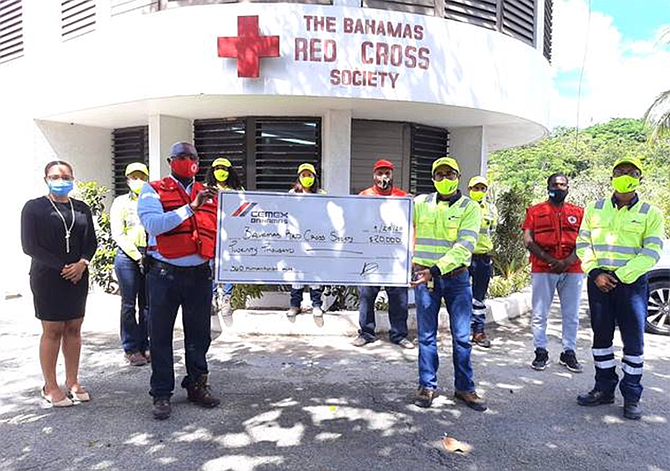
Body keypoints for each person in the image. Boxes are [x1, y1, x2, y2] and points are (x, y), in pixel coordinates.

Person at [576, 157, 664, 420]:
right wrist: (596, 273)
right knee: (601, 339)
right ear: (611, 177)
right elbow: (583, 244)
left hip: (631, 284)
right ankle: (603, 389)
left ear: (640, 178)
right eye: (619, 172)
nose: (624, 175)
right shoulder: (595, 208)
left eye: (631, 172)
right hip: (599, 283)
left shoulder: (651, 213)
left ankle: (632, 396)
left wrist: (621, 275)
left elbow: (652, 251)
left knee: (633, 342)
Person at [138, 142, 220, 420]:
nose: (187, 161)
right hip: (164, 274)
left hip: (199, 275)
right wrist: (190, 209)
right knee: (160, 335)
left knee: (199, 335)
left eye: (192, 156)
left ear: (199, 161)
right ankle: (161, 393)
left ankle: (197, 385)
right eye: (181, 156)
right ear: (171, 160)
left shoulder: (211, 194)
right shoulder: (153, 189)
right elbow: (153, 225)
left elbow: (226, 233)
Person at [411, 156, 487, 411]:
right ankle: (427, 386)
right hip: (424, 279)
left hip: (457, 279)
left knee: (463, 337)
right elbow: (394, 225)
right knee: (426, 336)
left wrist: (435, 270)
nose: (444, 179)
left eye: (449, 174)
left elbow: (465, 247)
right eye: (439, 175)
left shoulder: (470, 208)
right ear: (433, 178)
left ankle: (464, 388)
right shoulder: (419, 203)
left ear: (458, 177)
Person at [21, 160, 97, 407]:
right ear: (46, 179)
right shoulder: (34, 208)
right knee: (53, 329)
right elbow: (30, 246)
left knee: (74, 327)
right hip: (47, 276)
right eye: (55, 176)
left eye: (65, 176)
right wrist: (62, 267)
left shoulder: (82, 208)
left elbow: (91, 242)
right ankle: (50, 385)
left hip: (78, 275)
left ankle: (72, 381)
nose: (60, 180)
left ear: (73, 178)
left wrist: (82, 263)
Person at [522, 173, 584, 372]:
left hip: (572, 268)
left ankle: (569, 352)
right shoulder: (534, 211)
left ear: (568, 187)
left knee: (571, 314)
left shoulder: (579, 212)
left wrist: (566, 262)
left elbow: (585, 240)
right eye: (555, 184)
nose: (559, 188)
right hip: (543, 268)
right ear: (548, 187)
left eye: (563, 184)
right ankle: (540, 351)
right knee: (540, 314)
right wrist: (551, 261)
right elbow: (528, 241)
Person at [353, 159, 413, 349]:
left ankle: (399, 335)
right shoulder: (364, 196)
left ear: (392, 175)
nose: (383, 177)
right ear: (374, 175)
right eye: (380, 173)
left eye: (387, 173)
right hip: (370, 256)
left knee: (398, 298)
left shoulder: (403, 197)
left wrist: (411, 253)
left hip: (395, 258)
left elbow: (412, 226)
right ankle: (366, 333)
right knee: (366, 296)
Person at [110, 162, 150, 367]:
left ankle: (145, 344)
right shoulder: (121, 202)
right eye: (134, 177)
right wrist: (136, 256)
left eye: (142, 177)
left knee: (147, 304)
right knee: (128, 304)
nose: (138, 181)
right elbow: (118, 233)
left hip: (149, 254)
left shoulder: (153, 200)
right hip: (128, 256)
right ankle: (131, 348)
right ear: (127, 180)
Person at [204, 157, 244, 319]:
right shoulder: (206, 189)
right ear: (212, 171)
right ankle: (212, 298)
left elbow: (243, 209)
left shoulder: (237, 189)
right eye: (218, 168)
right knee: (211, 265)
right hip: (211, 233)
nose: (221, 171)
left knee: (228, 266)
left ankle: (226, 298)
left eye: (225, 169)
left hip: (230, 234)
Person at [287, 163, 325, 321]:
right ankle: (295, 305)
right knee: (296, 275)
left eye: (310, 175)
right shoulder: (291, 193)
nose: (307, 178)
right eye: (304, 175)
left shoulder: (322, 194)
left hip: (316, 240)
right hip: (297, 240)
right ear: (299, 177)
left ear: (314, 177)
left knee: (315, 274)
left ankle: (317, 305)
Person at [467, 176, 498, 348]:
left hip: (483, 258)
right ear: (469, 189)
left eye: (482, 188)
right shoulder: (462, 206)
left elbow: (492, 232)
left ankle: (478, 332)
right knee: (463, 297)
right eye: (475, 188)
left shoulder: (491, 209)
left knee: (479, 298)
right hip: (465, 258)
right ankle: (463, 331)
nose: (479, 191)